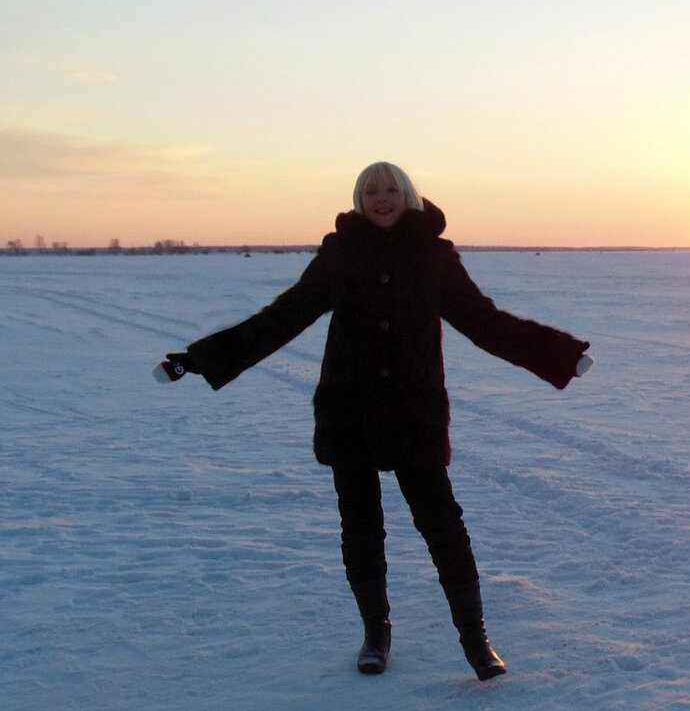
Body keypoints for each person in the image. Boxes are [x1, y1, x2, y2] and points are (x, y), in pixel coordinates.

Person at [157, 162, 593, 680]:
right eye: (370, 191)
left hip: (414, 411)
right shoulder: (341, 254)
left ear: (407, 195)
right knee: (361, 528)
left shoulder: (434, 256)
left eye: (390, 189)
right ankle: (375, 633)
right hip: (351, 410)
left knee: (444, 526)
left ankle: (476, 640)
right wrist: (201, 359)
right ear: (359, 200)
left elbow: (484, 322)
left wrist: (558, 355)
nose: (381, 198)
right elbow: (284, 316)